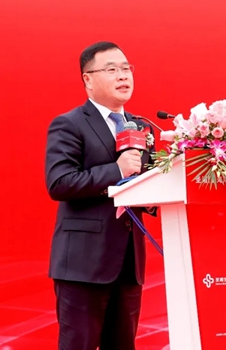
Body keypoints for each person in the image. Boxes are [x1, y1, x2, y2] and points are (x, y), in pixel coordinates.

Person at [45, 41, 155, 350]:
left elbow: (147, 184)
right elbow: (60, 182)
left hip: (129, 265)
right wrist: (116, 170)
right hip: (83, 265)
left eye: (126, 68)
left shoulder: (141, 127)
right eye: (111, 69)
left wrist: (156, 197)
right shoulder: (69, 124)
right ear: (88, 79)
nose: (123, 76)